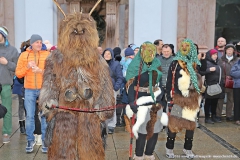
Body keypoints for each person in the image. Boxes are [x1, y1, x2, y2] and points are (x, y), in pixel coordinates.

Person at [125, 42, 167, 160]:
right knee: (142, 131)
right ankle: (138, 155)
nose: (150, 53)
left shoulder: (157, 63)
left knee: (155, 129)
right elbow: (129, 85)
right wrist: (132, 101)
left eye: (152, 51)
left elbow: (160, 84)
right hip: (141, 102)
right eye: (147, 51)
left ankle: (149, 153)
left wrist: (161, 97)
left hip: (155, 102)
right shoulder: (135, 65)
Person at [165, 39, 204, 159]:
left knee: (190, 125)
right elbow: (169, 80)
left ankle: (188, 149)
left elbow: (200, 78)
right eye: (184, 46)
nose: (186, 49)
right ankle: (169, 148)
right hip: (178, 98)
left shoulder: (195, 62)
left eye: (188, 47)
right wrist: (168, 95)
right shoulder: (175, 62)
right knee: (174, 124)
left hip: (192, 98)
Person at [15, 34, 50, 153]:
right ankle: (30, 141)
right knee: (30, 117)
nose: (39, 44)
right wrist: (27, 67)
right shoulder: (24, 55)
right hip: (29, 90)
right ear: (32, 44)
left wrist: (40, 71)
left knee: (45, 117)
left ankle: (45, 143)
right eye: (37, 42)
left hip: (44, 90)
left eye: (40, 42)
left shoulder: (47, 55)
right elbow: (18, 74)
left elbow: (53, 73)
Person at [0, 26, 19, 143]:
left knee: (6, 109)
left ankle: (6, 132)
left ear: (3, 35)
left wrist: (7, 63)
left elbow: (17, 68)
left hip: (6, 84)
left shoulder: (13, 50)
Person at [102, 48, 123, 134]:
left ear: (112, 55)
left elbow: (120, 77)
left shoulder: (116, 64)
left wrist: (116, 87)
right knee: (102, 107)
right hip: (102, 89)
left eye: (109, 54)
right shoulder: (100, 63)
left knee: (112, 107)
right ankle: (103, 124)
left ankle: (111, 125)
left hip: (111, 88)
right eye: (105, 54)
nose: (107, 55)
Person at [217, 44, 238, 122]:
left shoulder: (237, 60)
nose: (229, 51)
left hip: (233, 82)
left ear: (233, 51)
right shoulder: (220, 59)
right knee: (220, 99)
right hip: (222, 81)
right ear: (225, 50)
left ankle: (229, 115)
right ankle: (218, 115)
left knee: (231, 99)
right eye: (228, 49)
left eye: (231, 50)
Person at [204, 49, 225, 124]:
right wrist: (209, 70)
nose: (215, 56)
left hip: (217, 85)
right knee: (208, 102)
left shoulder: (218, 63)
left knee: (215, 102)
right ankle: (207, 117)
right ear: (210, 55)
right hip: (209, 85)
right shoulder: (206, 62)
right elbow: (202, 71)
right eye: (213, 55)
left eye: (216, 55)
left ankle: (213, 116)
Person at [157, 44, 174, 111]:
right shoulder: (157, 60)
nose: (166, 53)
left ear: (171, 51)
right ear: (162, 51)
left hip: (171, 85)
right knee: (160, 105)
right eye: (164, 51)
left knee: (170, 106)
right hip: (160, 85)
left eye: (168, 51)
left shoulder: (175, 60)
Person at [230, 59, 240, 125]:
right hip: (237, 86)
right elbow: (232, 73)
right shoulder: (237, 64)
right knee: (237, 103)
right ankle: (237, 119)